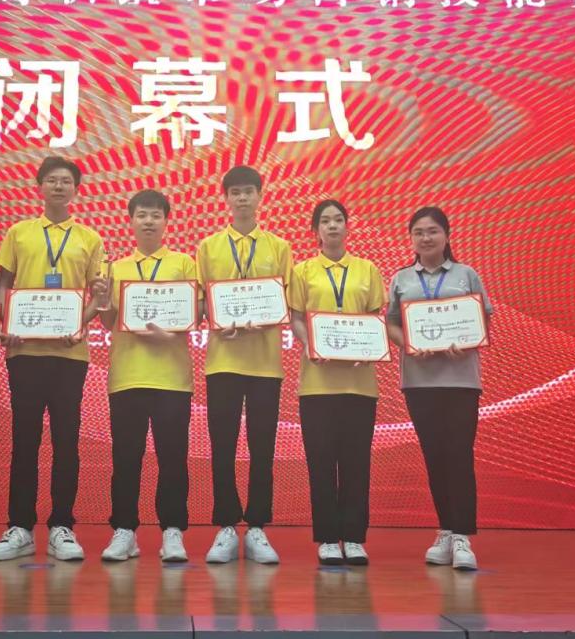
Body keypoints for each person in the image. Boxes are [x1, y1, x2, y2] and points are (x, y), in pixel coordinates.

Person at [0, 156, 107, 562]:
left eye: (65, 181)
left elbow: (99, 294)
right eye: (51, 180)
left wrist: (82, 323)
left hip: (70, 353)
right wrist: (7, 321)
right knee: (25, 440)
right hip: (25, 352)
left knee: (66, 441)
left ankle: (62, 527)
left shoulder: (89, 238)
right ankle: (19, 526)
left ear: (76, 189)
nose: (58, 186)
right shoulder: (19, 232)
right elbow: (4, 284)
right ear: (39, 187)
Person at [384, 206, 492, 571]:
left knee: (459, 454)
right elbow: (392, 324)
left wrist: (467, 340)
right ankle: (445, 529)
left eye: (432, 231)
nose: (425, 237)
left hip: (461, 380)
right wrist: (410, 344)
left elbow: (483, 321)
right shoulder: (402, 279)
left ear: (446, 235)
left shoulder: (466, 275)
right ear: (411, 238)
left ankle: (462, 536)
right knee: (434, 456)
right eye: (418, 232)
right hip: (419, 382)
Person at [95, 190, 200, 563]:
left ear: (166, 220)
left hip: (172, 378)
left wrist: (169, 334)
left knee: (173, 458)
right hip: (127, 376)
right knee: (126, 458)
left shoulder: (184, 263)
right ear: (131, 221)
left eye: (156, 215)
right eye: (142, 215)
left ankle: (172, 531)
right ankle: (124, 531)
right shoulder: (116, 268)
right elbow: (108, 322)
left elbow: (195, 313)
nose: (149, 221)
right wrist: (102, 299)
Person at [196, 165, 293, 564]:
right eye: (235, 192)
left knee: (262, 447)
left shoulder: (278, 247)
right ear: (226, 199)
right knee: (222, 445)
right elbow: (201, 302)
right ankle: (224, 526)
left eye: (248, 191)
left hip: (265, 364)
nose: (242, 198)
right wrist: (218, 318)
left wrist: (265, 317)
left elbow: (286, 301)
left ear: (259, 196)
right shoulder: (208, 247)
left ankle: (256, 527)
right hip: (222, 362)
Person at [288, 199, 385, 566]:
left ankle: (354, 537)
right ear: (315, 230)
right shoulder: (303, 271)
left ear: (347, 226)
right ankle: (328, 537)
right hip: (317, 385)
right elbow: (297, 318)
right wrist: (310, 344)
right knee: (322, 462)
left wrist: (370, 347)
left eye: (338, 220)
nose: (332, 226)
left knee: (357, 463)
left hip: (360, 385)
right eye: (325, 221)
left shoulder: (367, 269)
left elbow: (375, 317)